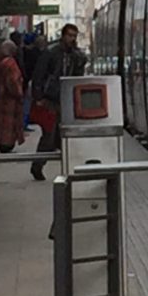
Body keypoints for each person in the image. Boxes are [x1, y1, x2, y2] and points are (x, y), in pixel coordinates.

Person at [30, 24, 86, 181]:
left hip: (66, 98)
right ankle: (37, 165)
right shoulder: (51, 52)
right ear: (63, 35)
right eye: (69, 35)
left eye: (74, 36)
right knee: (49, 135)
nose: (72, 39)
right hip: (50, 99)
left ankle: (70, 168)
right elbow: (39, 74)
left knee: (64, 136)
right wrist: (38, 96)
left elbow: (77, 76)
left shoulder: (75, 55)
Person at [0, 40, 25, 153]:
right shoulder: (11, 64)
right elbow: (14, 81)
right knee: (9, 123)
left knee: (2, 122)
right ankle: (7, 144)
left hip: (0, 97)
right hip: (10, 99)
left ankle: (2, 143)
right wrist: (19, 93)